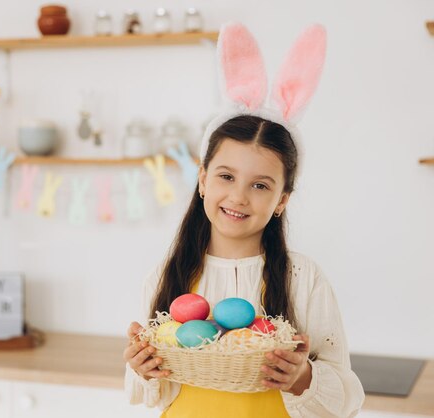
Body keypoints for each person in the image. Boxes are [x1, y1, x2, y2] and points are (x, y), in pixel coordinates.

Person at [123, 22, 365, 418]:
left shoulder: (304, 278)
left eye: (260, 185)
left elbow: (349, 398)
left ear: (282, 200)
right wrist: (141, 369)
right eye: (226, 176)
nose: (238, 196)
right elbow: (146, 394)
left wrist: (302, 376)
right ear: (202, 179)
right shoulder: (168, 276)